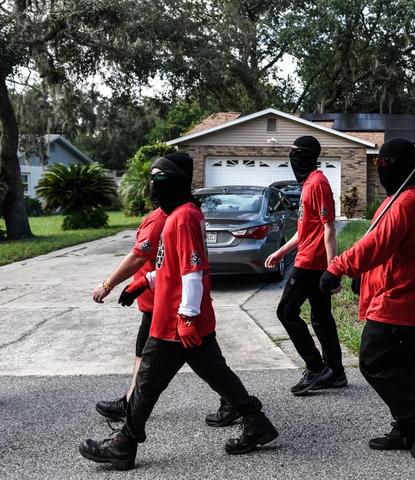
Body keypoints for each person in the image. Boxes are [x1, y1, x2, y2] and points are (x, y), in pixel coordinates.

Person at [79, 153, 278, 470]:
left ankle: (124, 444)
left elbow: (193, 272)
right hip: (189, 317)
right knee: (216, 373)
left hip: (176, 321)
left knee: (147, 382)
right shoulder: (182, 214)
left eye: (159, 178)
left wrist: (185, 317)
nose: (153, 185)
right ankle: (256, 421)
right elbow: (174, 267)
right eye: (152, 177)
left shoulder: (183, 217)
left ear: (177, 182)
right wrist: (145, 281)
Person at [319, 138, 415, 460]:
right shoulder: (397, 199)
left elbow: (376, 243)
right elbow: (383, 247)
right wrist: (363, 275)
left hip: (400, 301)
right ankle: (405, 428)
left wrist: (339, 267)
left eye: (382, 165)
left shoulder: (405, 202)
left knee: (372, 361)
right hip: (401, 297)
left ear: (399, 166)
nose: (379, 171)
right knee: (401, 368)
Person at [265, 135, 345, 396]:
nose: (292, 157)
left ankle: (315, 367)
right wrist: (280, 252)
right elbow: (305, 231)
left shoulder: (318, 183)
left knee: (286, 311)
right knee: (321, 318)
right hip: (309, 260)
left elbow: (329, 228)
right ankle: (335, 372)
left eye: (295, 152)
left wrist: (333, 269)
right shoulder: (310, 184)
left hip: (311, 264)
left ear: (308, 156)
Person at [90, 206, 168, 420]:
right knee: (144, 353)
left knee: (204, 361)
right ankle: (130, 403)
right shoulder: (162, 215)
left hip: (162, 303)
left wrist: (107, 285)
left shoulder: (160, 218)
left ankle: (241, 405)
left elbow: (137, 256)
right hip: (156, 301)